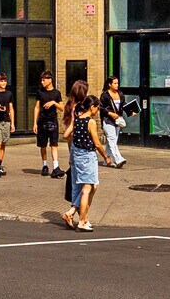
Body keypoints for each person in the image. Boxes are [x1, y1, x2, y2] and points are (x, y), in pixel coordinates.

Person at [60, 81, 103, 232]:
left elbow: (66, 133)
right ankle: (82, 218)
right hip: (83, 151)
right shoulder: (81, 112)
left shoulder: (70, 106)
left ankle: (77, 215)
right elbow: (96, 142)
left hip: (74, 150)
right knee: (88, 187)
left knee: (81, 185)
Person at [33, 71, 64, 177]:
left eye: (44, 80)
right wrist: (35, 123)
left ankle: (56, 166)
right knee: (43, 144)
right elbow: (37, 107)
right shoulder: (40, 92)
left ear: (50, 79)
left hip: (53, 120)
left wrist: (54, 103)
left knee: (54, 144)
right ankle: (45, 164)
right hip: (42, 120)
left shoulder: (56, 93)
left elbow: (62, 108)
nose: (42, 82)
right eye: (41, 80)